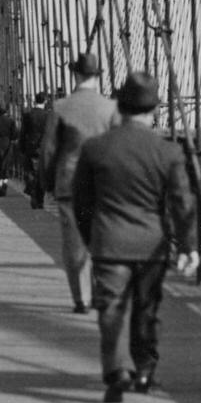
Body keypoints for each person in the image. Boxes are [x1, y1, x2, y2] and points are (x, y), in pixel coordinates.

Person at [72, 71, 199, 403]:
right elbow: (182, 202)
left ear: (120, 106)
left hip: (109, 243)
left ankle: (115, 371)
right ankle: (144, 370)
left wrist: (91, 239)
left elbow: (82, 203)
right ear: (154, 109)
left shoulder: (96, 148)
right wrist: (189, 246)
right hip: (151, 245)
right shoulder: (168, 151)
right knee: (147, 309)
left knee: (111, 308)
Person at [40, 50, 117, 311]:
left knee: (74, 243)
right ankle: (101, 292)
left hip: (69, 184)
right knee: (102, 240)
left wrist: (47, 183)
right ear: (97, 77)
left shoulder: (61, 107)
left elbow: (48, 151)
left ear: (76, 75)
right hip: (104, 184)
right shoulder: (112, 109)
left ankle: (81, 298)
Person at [19, 90, 50, 208]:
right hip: (43, 147)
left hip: (30, 147)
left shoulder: (27, 115)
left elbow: (23, 133)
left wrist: (22, 147)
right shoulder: (48, 115)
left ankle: (32, 191)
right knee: (42, 172)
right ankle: (40, 199)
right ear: (45, 101)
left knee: (31, 171)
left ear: (35, 100)